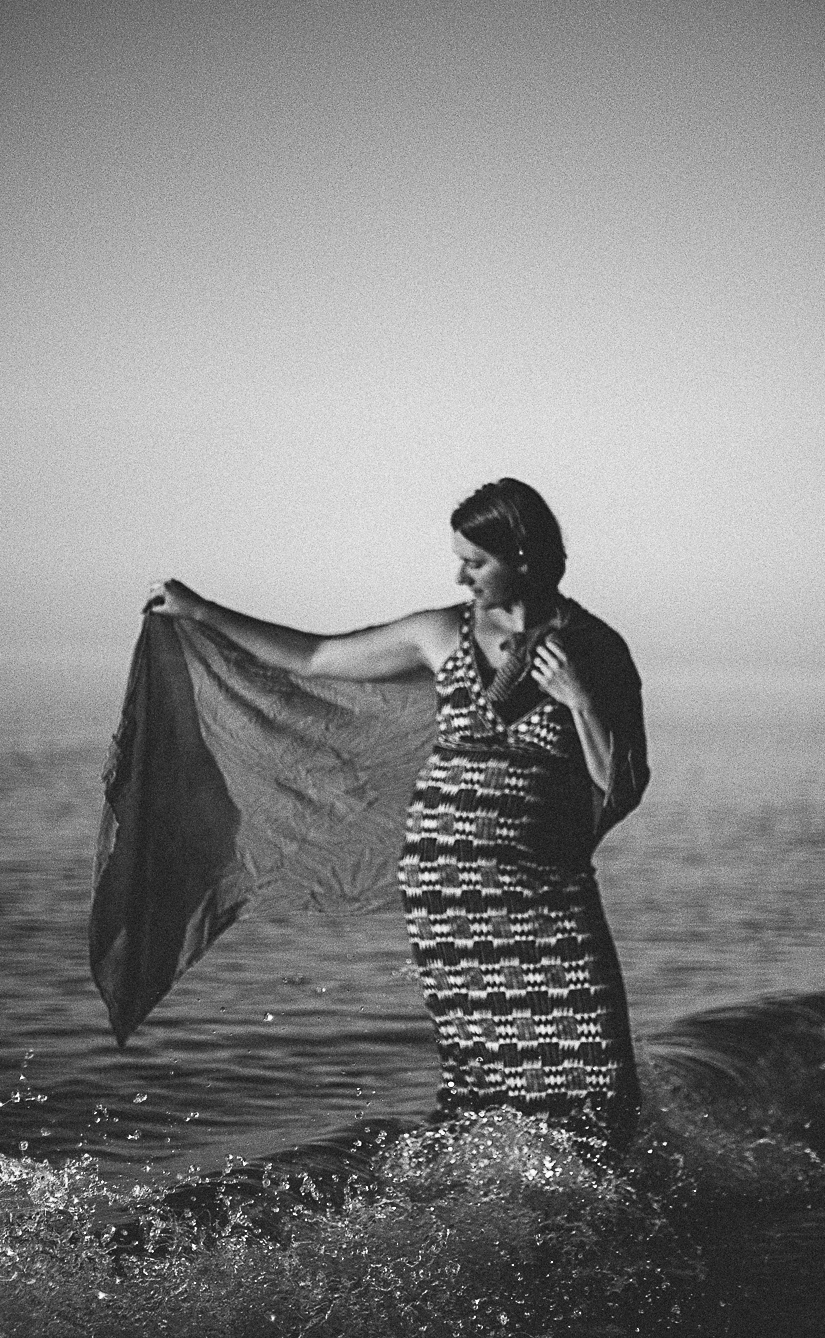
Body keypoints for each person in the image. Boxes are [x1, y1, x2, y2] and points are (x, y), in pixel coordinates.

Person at [146, 478, 648, 1146]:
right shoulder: (440, 633)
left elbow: (624, 782)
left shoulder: (596, 649)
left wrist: (579, 699)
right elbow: (316, 655)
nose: (460, 575)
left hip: (544, 883)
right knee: (486, 1069)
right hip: (449, 889)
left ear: (522, 558)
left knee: (595, 1061)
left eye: (476, 562)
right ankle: (489, 1199)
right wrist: (204, 612)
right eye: (459, 560)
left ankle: (600, 1192)